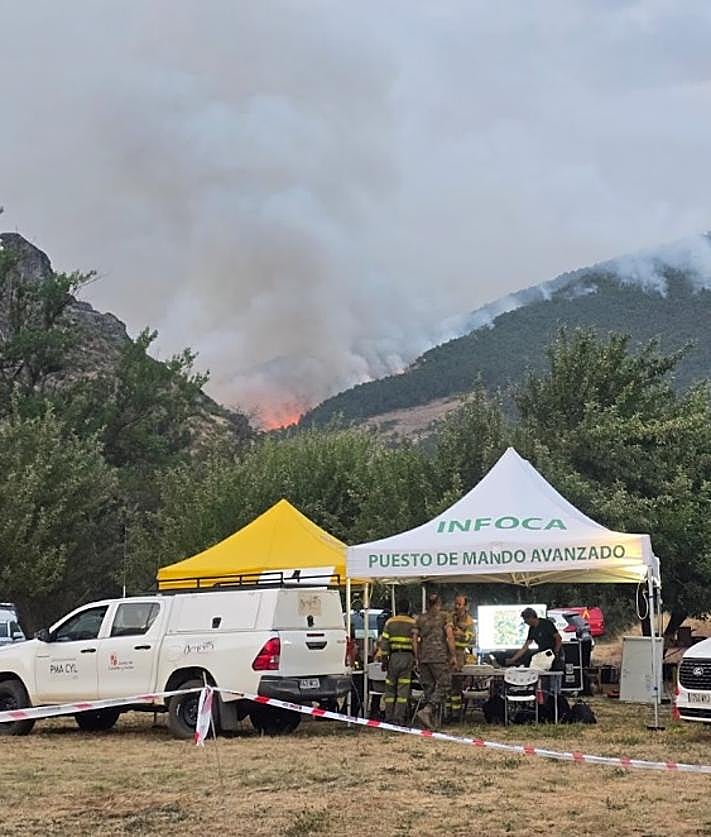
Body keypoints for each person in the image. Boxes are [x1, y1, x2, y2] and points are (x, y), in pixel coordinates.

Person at [413, 592, 457, 730]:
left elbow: (414, 640)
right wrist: (453, 655)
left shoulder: (420, 619)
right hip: (439, 656)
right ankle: (428, 711)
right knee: (444, 684)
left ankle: (431, 722)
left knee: (429, 689)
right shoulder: (444, 617)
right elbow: (449, 636)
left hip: (424, 658)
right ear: (439, 603)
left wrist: (417, 656)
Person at [379, 599, 416, 725]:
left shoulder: (390, 622)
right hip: (407, 657)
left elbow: (384, 644)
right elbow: (416, 642)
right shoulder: (413, 623)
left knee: (390, 689)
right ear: (408, 608)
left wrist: (384, 661)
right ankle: (399, 718)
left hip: (393, 657)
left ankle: (388, 717)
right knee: (403, 690)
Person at [447, 594, 475, 719]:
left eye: (459, 604)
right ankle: (447, 712)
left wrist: (461, 634)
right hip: (446, 654)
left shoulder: (469, 621)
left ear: (466, 606)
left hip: (459, 654)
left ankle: (455, 714)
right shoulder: (450, 618)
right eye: (455, 604)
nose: (456, 606)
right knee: (447, 686)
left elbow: (470, 637)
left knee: (455, 686)